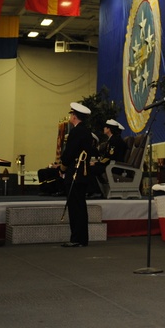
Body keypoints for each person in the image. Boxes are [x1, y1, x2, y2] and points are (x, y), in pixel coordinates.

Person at [59, 102, 97, 247]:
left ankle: (76, 238)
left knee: (75, 207)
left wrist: (62, 168)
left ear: (74, 116)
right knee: (80, 205)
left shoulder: (76, 132)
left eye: (71, 114)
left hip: (75, 172)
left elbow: (69, 153)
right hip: (83, 172)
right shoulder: (87, 131)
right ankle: (82, 238)